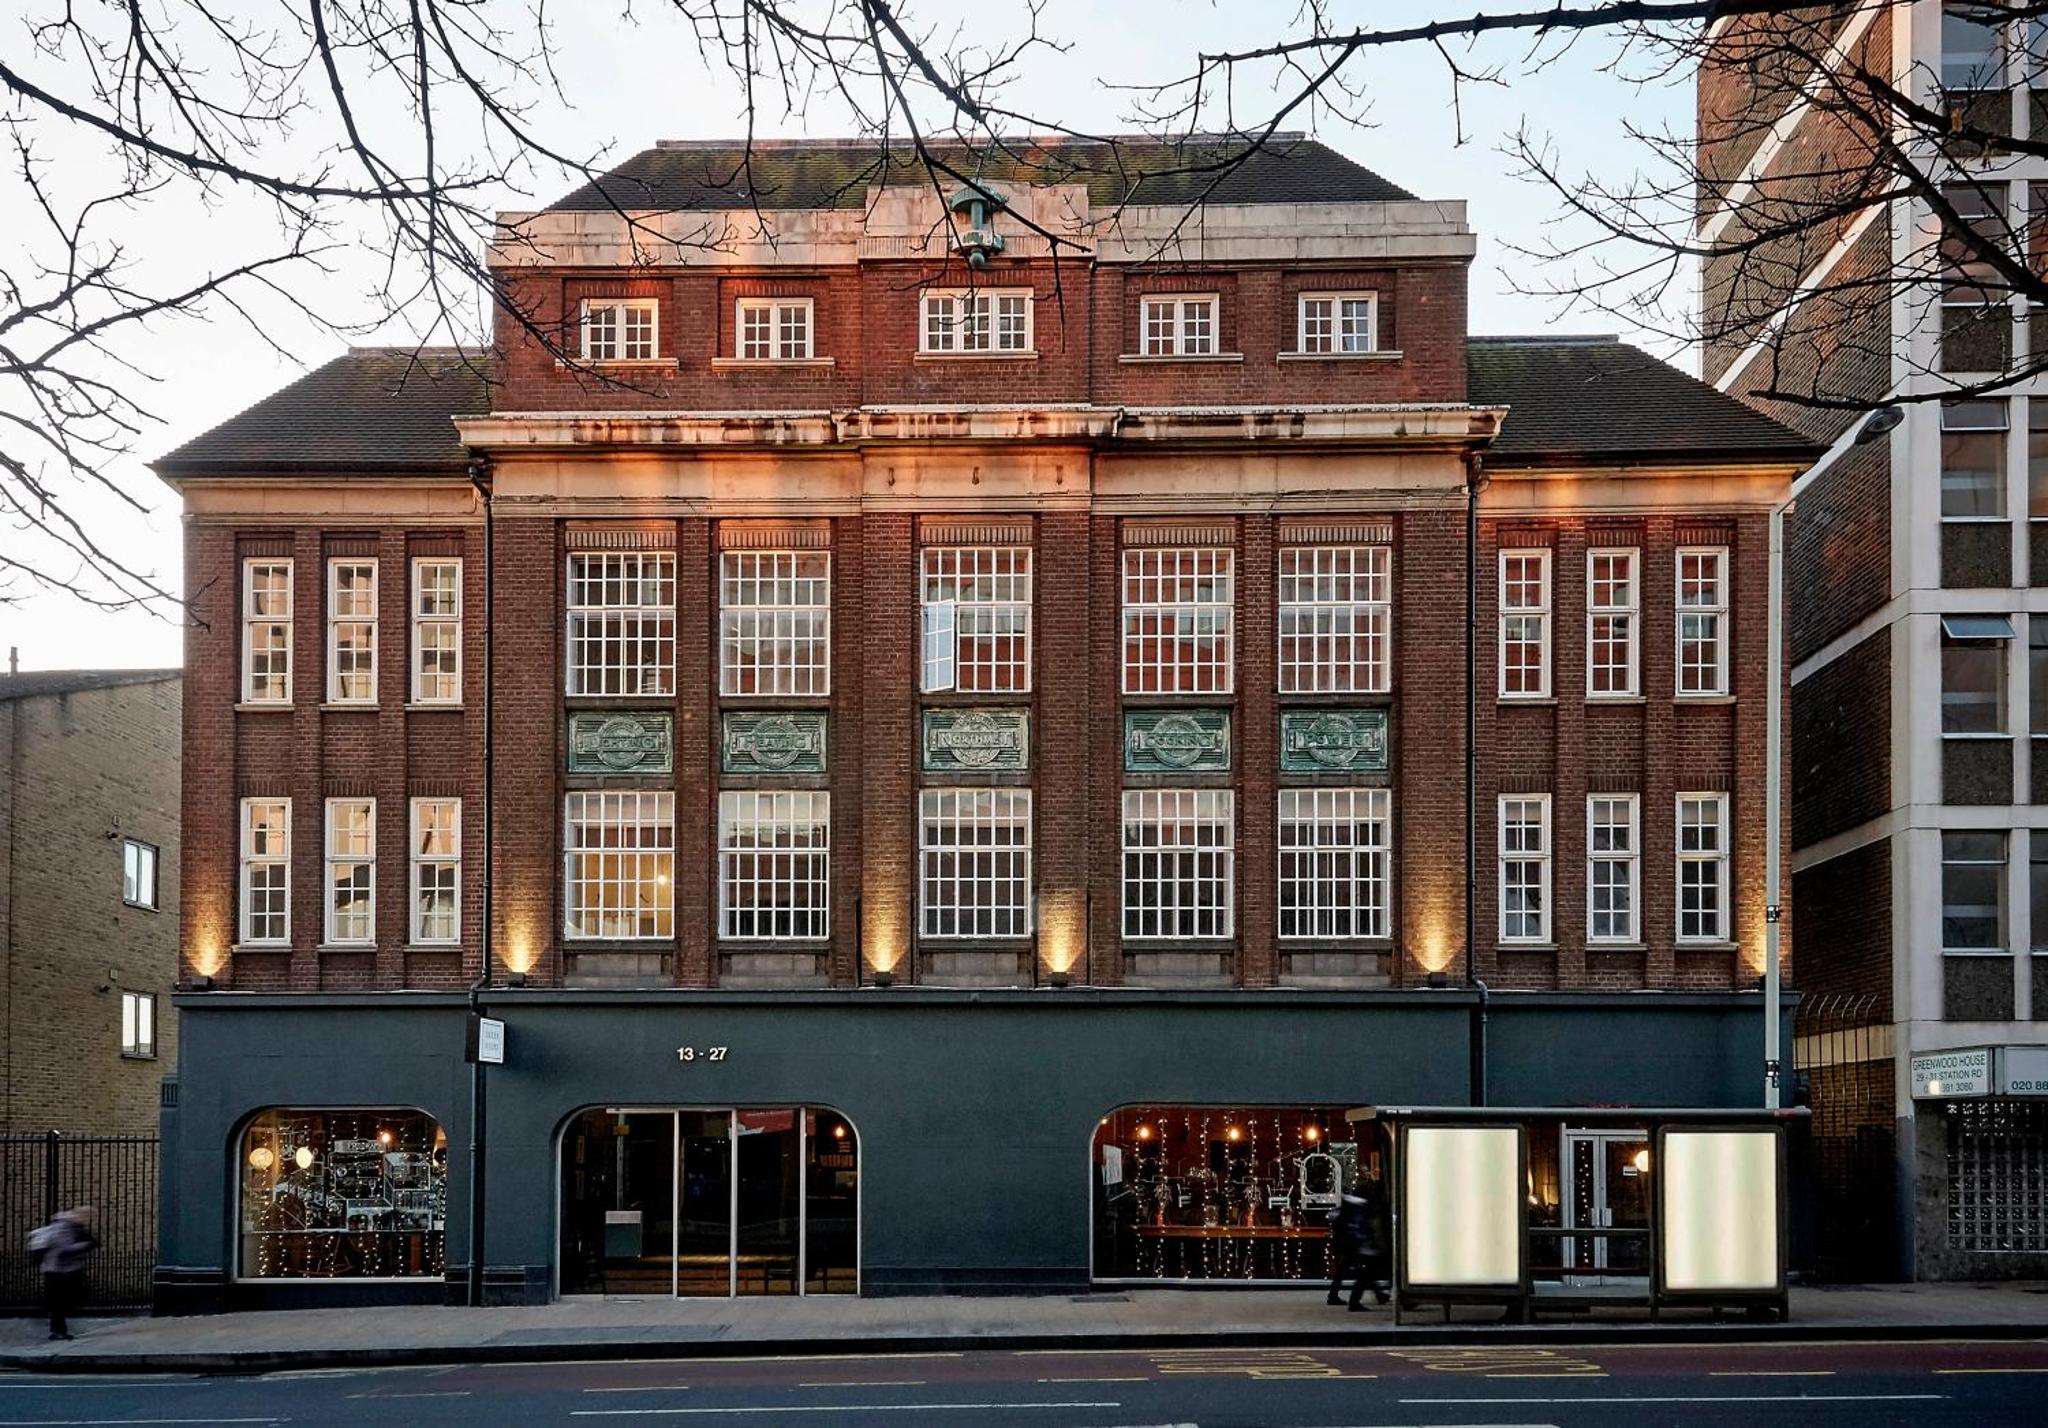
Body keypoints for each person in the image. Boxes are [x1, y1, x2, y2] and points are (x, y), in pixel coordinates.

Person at [29, 1206, 96, 1340]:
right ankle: (58, 1331)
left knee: (58, 1302)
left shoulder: (66, 1226)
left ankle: (57, 1329)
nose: (86, 1219)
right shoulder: (64, 1227)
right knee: (60, 1302)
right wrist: (86, 1245)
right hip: (59, 1271)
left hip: (59, 1269)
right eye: (85, 1216)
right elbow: (65, 1249)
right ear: (76, 1216)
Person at [1325, 1190, 1368, 1309]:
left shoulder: (1345, 1209)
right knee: (1363, 1271)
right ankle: (1344, 1298)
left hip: (1347, 1244)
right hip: (1350, 1245)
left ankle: (1333, 1295)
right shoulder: (1354, 1208)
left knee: (1345, 1270)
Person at [1356, 1171, 1393, 1307]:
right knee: (1368, 1272)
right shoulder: (1376, 1205)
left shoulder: (1368, 1203)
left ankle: (1378, 1295)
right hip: (1371, 1242)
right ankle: (1356, 1301)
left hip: (1369, 1241)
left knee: (1368, 1272)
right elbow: (1374, 1224)